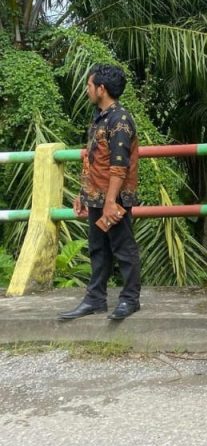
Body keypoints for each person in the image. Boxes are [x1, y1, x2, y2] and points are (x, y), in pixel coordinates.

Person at [59, 64, 142, 322]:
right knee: (98, 249)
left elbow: (119, 166)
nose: (87, 90)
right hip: (97, 197)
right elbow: (94, 160)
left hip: (113, 199)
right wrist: (83, 195)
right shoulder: (100, 117)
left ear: (101, 89)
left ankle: (130, 299)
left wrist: (109, 202)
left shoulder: (120, 120)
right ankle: (95, 299)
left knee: (123, 248)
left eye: (90, 85)